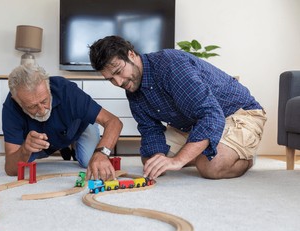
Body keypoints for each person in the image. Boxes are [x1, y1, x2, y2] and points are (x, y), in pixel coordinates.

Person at [89, 35, 267, 180]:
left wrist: (179, 160)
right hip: (194, 124)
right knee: (150, 160)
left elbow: (211, 114)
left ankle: (244, 158)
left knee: (211, 167)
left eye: (119, 71)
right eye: (110, 79)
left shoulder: (171, 65)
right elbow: (150, 129)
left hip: (237, 114)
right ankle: (205, 149)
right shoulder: (132, 87)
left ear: (131, 55)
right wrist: (157, 156)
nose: (118, 82)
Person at [2, 64, 122, 180]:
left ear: (48, 87)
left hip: (78, 125)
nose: (42, 110)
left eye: (44, 101)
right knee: (26, 159)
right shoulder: (10, 107)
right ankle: (62, 146)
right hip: (44, 143)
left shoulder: (67, 90)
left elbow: (114, 122)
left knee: (89, 161)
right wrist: (25, 149)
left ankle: (72, 144)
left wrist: (102, 153)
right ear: (17, 101)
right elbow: (11, 169)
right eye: (32, 107)